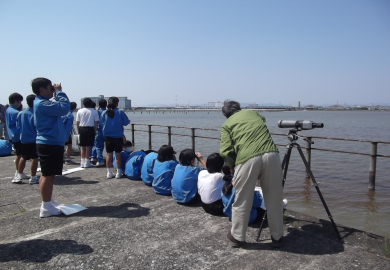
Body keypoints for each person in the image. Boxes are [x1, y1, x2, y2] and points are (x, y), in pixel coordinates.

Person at [220, 100, 283, 248]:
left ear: (226, 114)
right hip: (271, 154)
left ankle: (237, 237)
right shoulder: (253, 113)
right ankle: (278, 237)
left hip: (247, 158)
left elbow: (225, 151)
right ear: (239, 108)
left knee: (242, 198)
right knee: (274, 198)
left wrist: (233, 167)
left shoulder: (227, 125)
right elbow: (262, 121)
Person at [32, 77, 70, 217]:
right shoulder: (42, 104)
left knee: (47, 174)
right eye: (50, 88)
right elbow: (65, 108)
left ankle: (47, 202)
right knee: (48, 175)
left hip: (49, 142)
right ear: (42, 89)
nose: (52, 91)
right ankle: (46, 207)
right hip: (50, 143)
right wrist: (59, 92)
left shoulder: (43, 103)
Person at [99, 97, 130, 178]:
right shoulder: (120, 112)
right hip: (118, 136)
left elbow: (101, 124)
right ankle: (118, 173)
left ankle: (109, 173)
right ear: (117, 104)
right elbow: (126, 122)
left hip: (108, 137)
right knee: (118, 155)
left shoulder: (104, 113)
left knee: (109, 154)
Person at [15, 94, 39, 184]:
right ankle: (33, 177)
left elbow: (18, 126)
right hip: (33, 139)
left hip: (23, 139)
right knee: (34, 158)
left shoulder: (21, 113)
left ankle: (19, 174)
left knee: (23, 157)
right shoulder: (35, 114)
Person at [6, 93, 28, 183]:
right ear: (16, 101)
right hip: (18, 136)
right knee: (21, 155)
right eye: (20, 101)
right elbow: (21, 125)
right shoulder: (16, 112)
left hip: (12, 135)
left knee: (18, 154)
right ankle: (19, 172)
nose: (20, 103)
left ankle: (19, 171)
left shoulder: (8, 110)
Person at [76, 98, 99, 168]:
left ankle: (82, 162)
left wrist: (78, 131)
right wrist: (95, 130)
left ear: (83, 104)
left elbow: (77, 122)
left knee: (82, 146)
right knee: (88, 147)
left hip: (81, 128)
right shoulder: (94, 111)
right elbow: (96, 122)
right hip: (90, 129)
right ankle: (86, 162)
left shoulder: (79, 111)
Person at [90, 98, 107, 166]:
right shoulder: (108, 111)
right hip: (107, 131)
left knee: (97, 146)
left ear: (99, 105)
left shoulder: (96, 112)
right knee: (109, 147)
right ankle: (111, 160)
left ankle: (98, 159)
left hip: (98, 130)